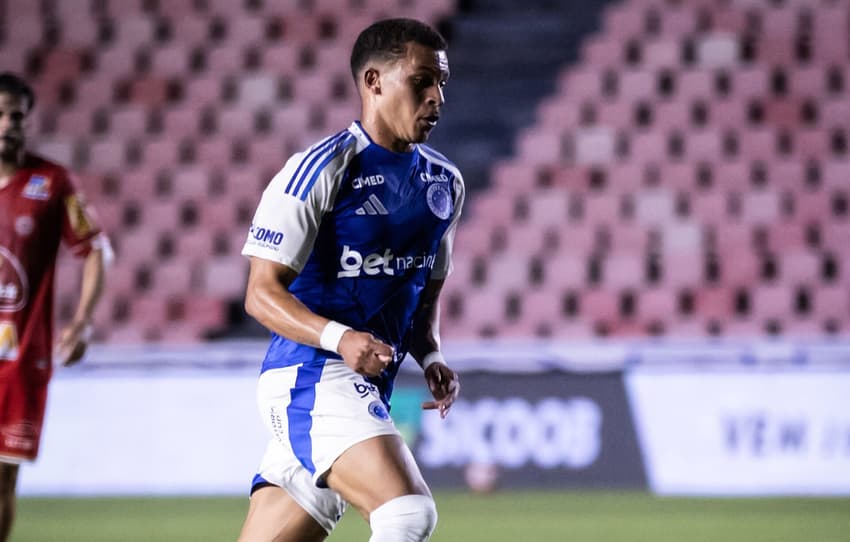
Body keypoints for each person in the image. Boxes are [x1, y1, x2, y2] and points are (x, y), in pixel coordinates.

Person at [238, 18, 463, 542]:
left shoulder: (443, 183)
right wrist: (341, 338)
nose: (437, 98)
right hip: (310, 376)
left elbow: (425, 288)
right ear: (374, 82)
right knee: (407, 513)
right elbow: (260, 294)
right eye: (422, 82)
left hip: (363, 387)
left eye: (443, 84)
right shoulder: (319, 170)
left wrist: (430, 355)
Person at [0, 72, 111, 541]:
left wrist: (82, 323)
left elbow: (96, 252)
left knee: (3, 477)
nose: (7, 124)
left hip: (20, 359)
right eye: (0, 114)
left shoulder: (50, 183)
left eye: (17, 116)